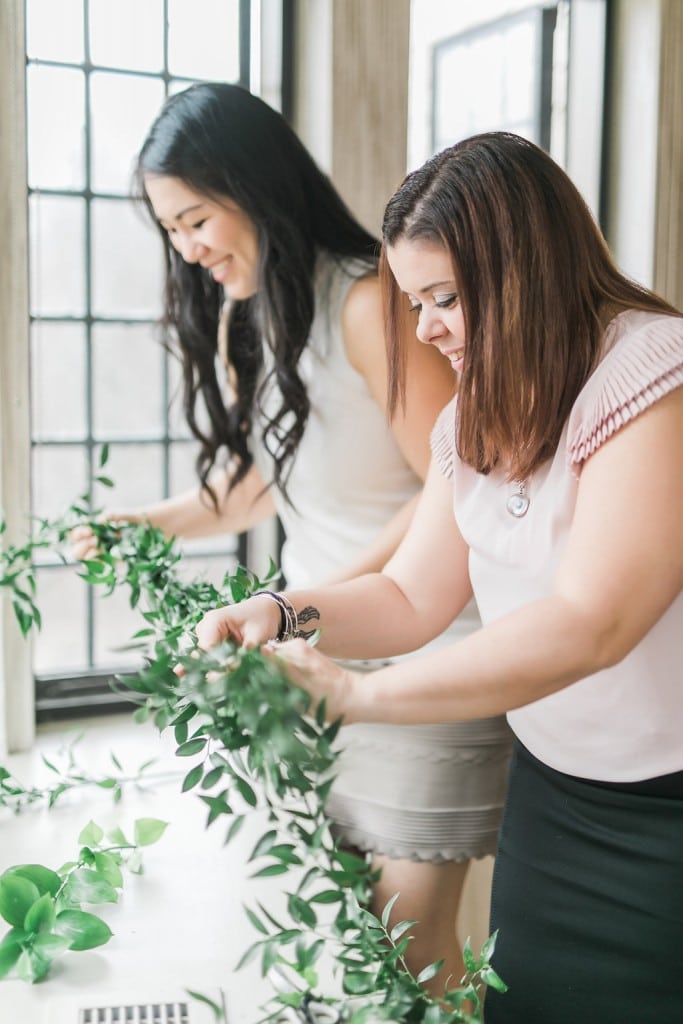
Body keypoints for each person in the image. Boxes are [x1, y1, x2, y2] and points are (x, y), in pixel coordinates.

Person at [193, 131, 683, 1024]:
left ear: (524, 272)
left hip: (666, 814)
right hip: (555, 792)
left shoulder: (652, 375)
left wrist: (361, 698)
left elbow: (592, 622)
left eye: (446, 299)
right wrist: (278, 610)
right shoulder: (476, 411)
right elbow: (410, 596)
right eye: (415, 303)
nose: (424, 330)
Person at [70, 84, 513, 990]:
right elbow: (262, 484)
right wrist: (141, 523)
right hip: (319, 648)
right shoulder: (268, 308)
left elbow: (452, 483)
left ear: (251, 186)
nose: (187, 249)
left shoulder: (367, 304)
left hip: (425, 652)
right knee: (351, 932)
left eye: (195, 218)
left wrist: (304, 604)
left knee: (406, 952)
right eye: (171, 231)